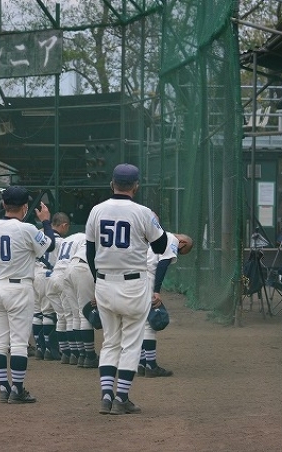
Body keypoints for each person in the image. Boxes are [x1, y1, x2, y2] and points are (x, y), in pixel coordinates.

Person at [85, 163, 168, 415]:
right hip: (133, 284)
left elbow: (90, 252)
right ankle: (121, 398)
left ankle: (106, 396)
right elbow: (160, 246)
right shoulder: (143, 212)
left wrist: (97, 281)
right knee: (131, 343)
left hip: (104, 282)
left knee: (110, 341)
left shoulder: (96, 210)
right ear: (136, 186)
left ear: (112, 184)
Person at [0, 186, 55, 404]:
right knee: (19, 343)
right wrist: (46, 221)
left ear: (4, 204)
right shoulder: (26, 229)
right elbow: (50, 245)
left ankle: (3, 387)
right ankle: (17, 389)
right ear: (25, 207)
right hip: (19, 289)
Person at [139, 232, 193, 378]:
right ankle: (151, 366)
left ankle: (141, 363)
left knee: (138, 322)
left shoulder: (157, 234)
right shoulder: (172, 240)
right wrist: (156, 290)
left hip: (132, 277)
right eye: (180, 251)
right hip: (146, 278)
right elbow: (162, 264)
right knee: (149, 325)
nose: (177, 253)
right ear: (183, 242)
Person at [62, 232, 100, 368]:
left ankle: (81, 355)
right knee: (84, 315)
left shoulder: (90, 236)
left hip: (69, 269)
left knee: (76, 315)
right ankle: (89, 356)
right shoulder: (110, 238)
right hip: (84, 268)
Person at [40, 212, 71, 362]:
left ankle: (42, 348)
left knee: (41, 313)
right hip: (52, 275)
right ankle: (60, 349)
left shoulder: (40, 236)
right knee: (62, 315)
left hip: (36, 274)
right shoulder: (62, 241)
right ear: (63, 225)